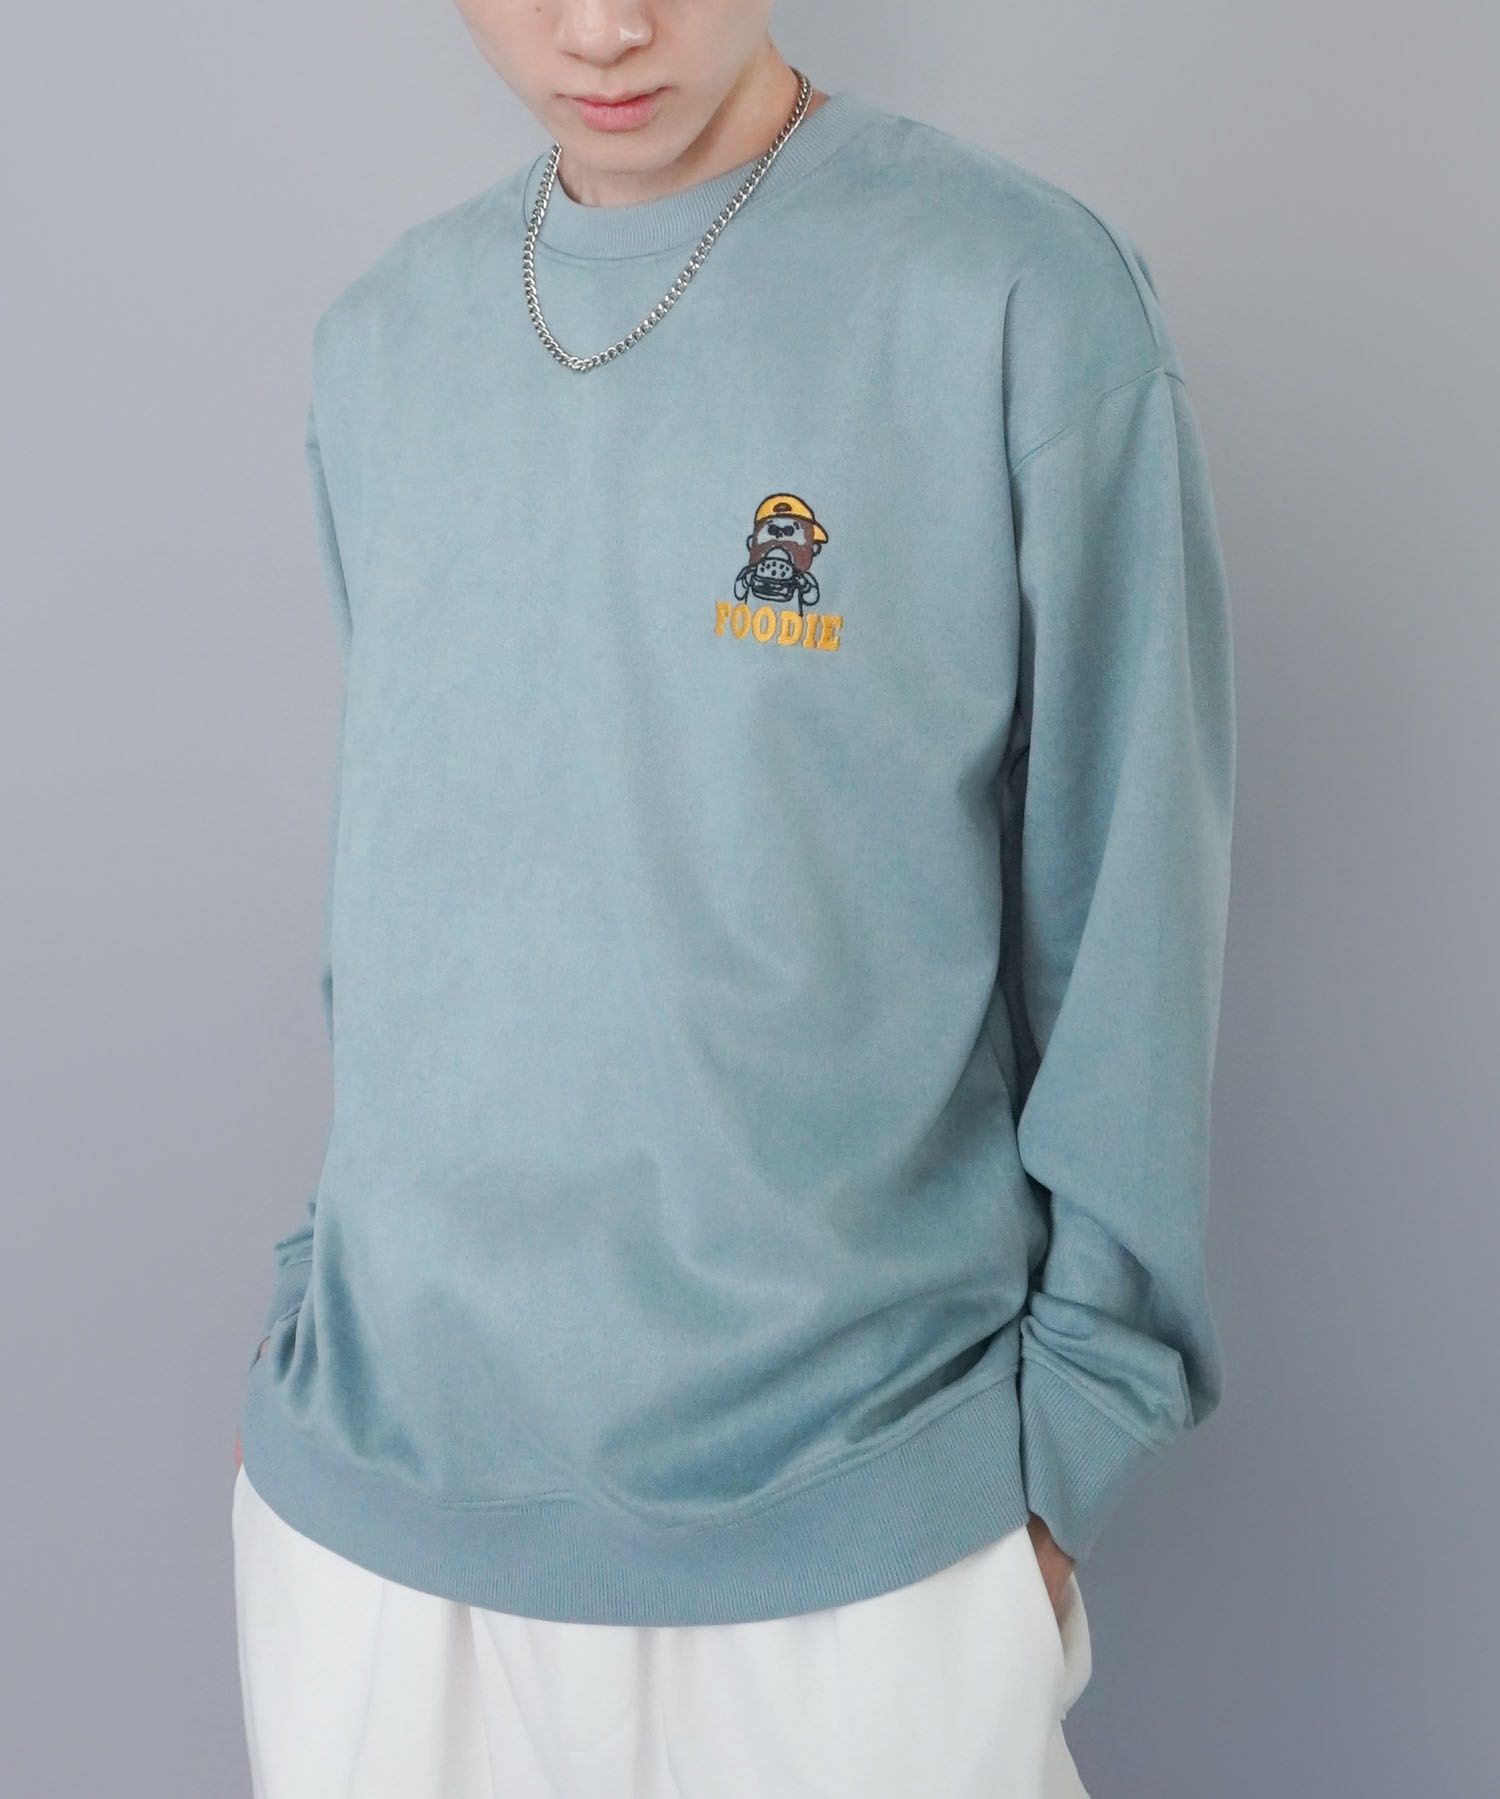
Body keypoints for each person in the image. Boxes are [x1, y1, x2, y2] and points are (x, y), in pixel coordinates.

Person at [230, 5, 1236, 1794]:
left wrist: (1079, 1423)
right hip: (374, 1519)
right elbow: (415, 874)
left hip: (856, 1521)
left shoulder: (1013, 292)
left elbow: (1132, 889)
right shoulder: (380, 338)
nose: (604, 25)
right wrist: (323, 1280)